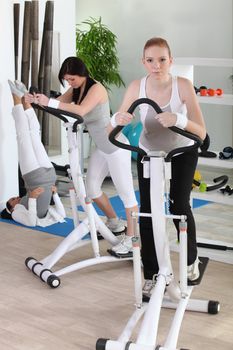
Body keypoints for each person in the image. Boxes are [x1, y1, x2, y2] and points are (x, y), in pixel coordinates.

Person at [108, 37, 206, 297]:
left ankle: (190, 262)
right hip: (149, 151)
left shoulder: (182, 85)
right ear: (143, 62)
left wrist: (180, 119)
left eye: (162, 59)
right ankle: (152, 274)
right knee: (149, 212)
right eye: (150, 60)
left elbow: (201, 131)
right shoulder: (136, 87)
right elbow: (113, 124)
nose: (156, 65)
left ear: (171, 61)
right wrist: (117, 118)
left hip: (182, 149)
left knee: (179, 205)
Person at [25, 57, 138, 256]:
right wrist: (36, 101)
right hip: (101, 148)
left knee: (127, 194)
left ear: (82, 74)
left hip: (117, 147)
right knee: (92, 189)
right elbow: (58, 104)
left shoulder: (96, 88)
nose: (70, 83)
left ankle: (132, 239)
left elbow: (81, 110)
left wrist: (49, 101)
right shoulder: (76, 88)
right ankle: (114, 222)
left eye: (72, 79)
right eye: (67, 80)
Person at [1, 80, 66, 227]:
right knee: (30, 134)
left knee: (30, 134)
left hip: (36, 176)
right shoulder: (17, 212)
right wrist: (54, 194)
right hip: (47, 176)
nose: (15, 198)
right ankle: (19, 96)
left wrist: (32, 197)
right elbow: (32, 222)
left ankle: (21, 97)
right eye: (12, 200)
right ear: (10, 209)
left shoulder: (19, 209)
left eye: (12, 199)